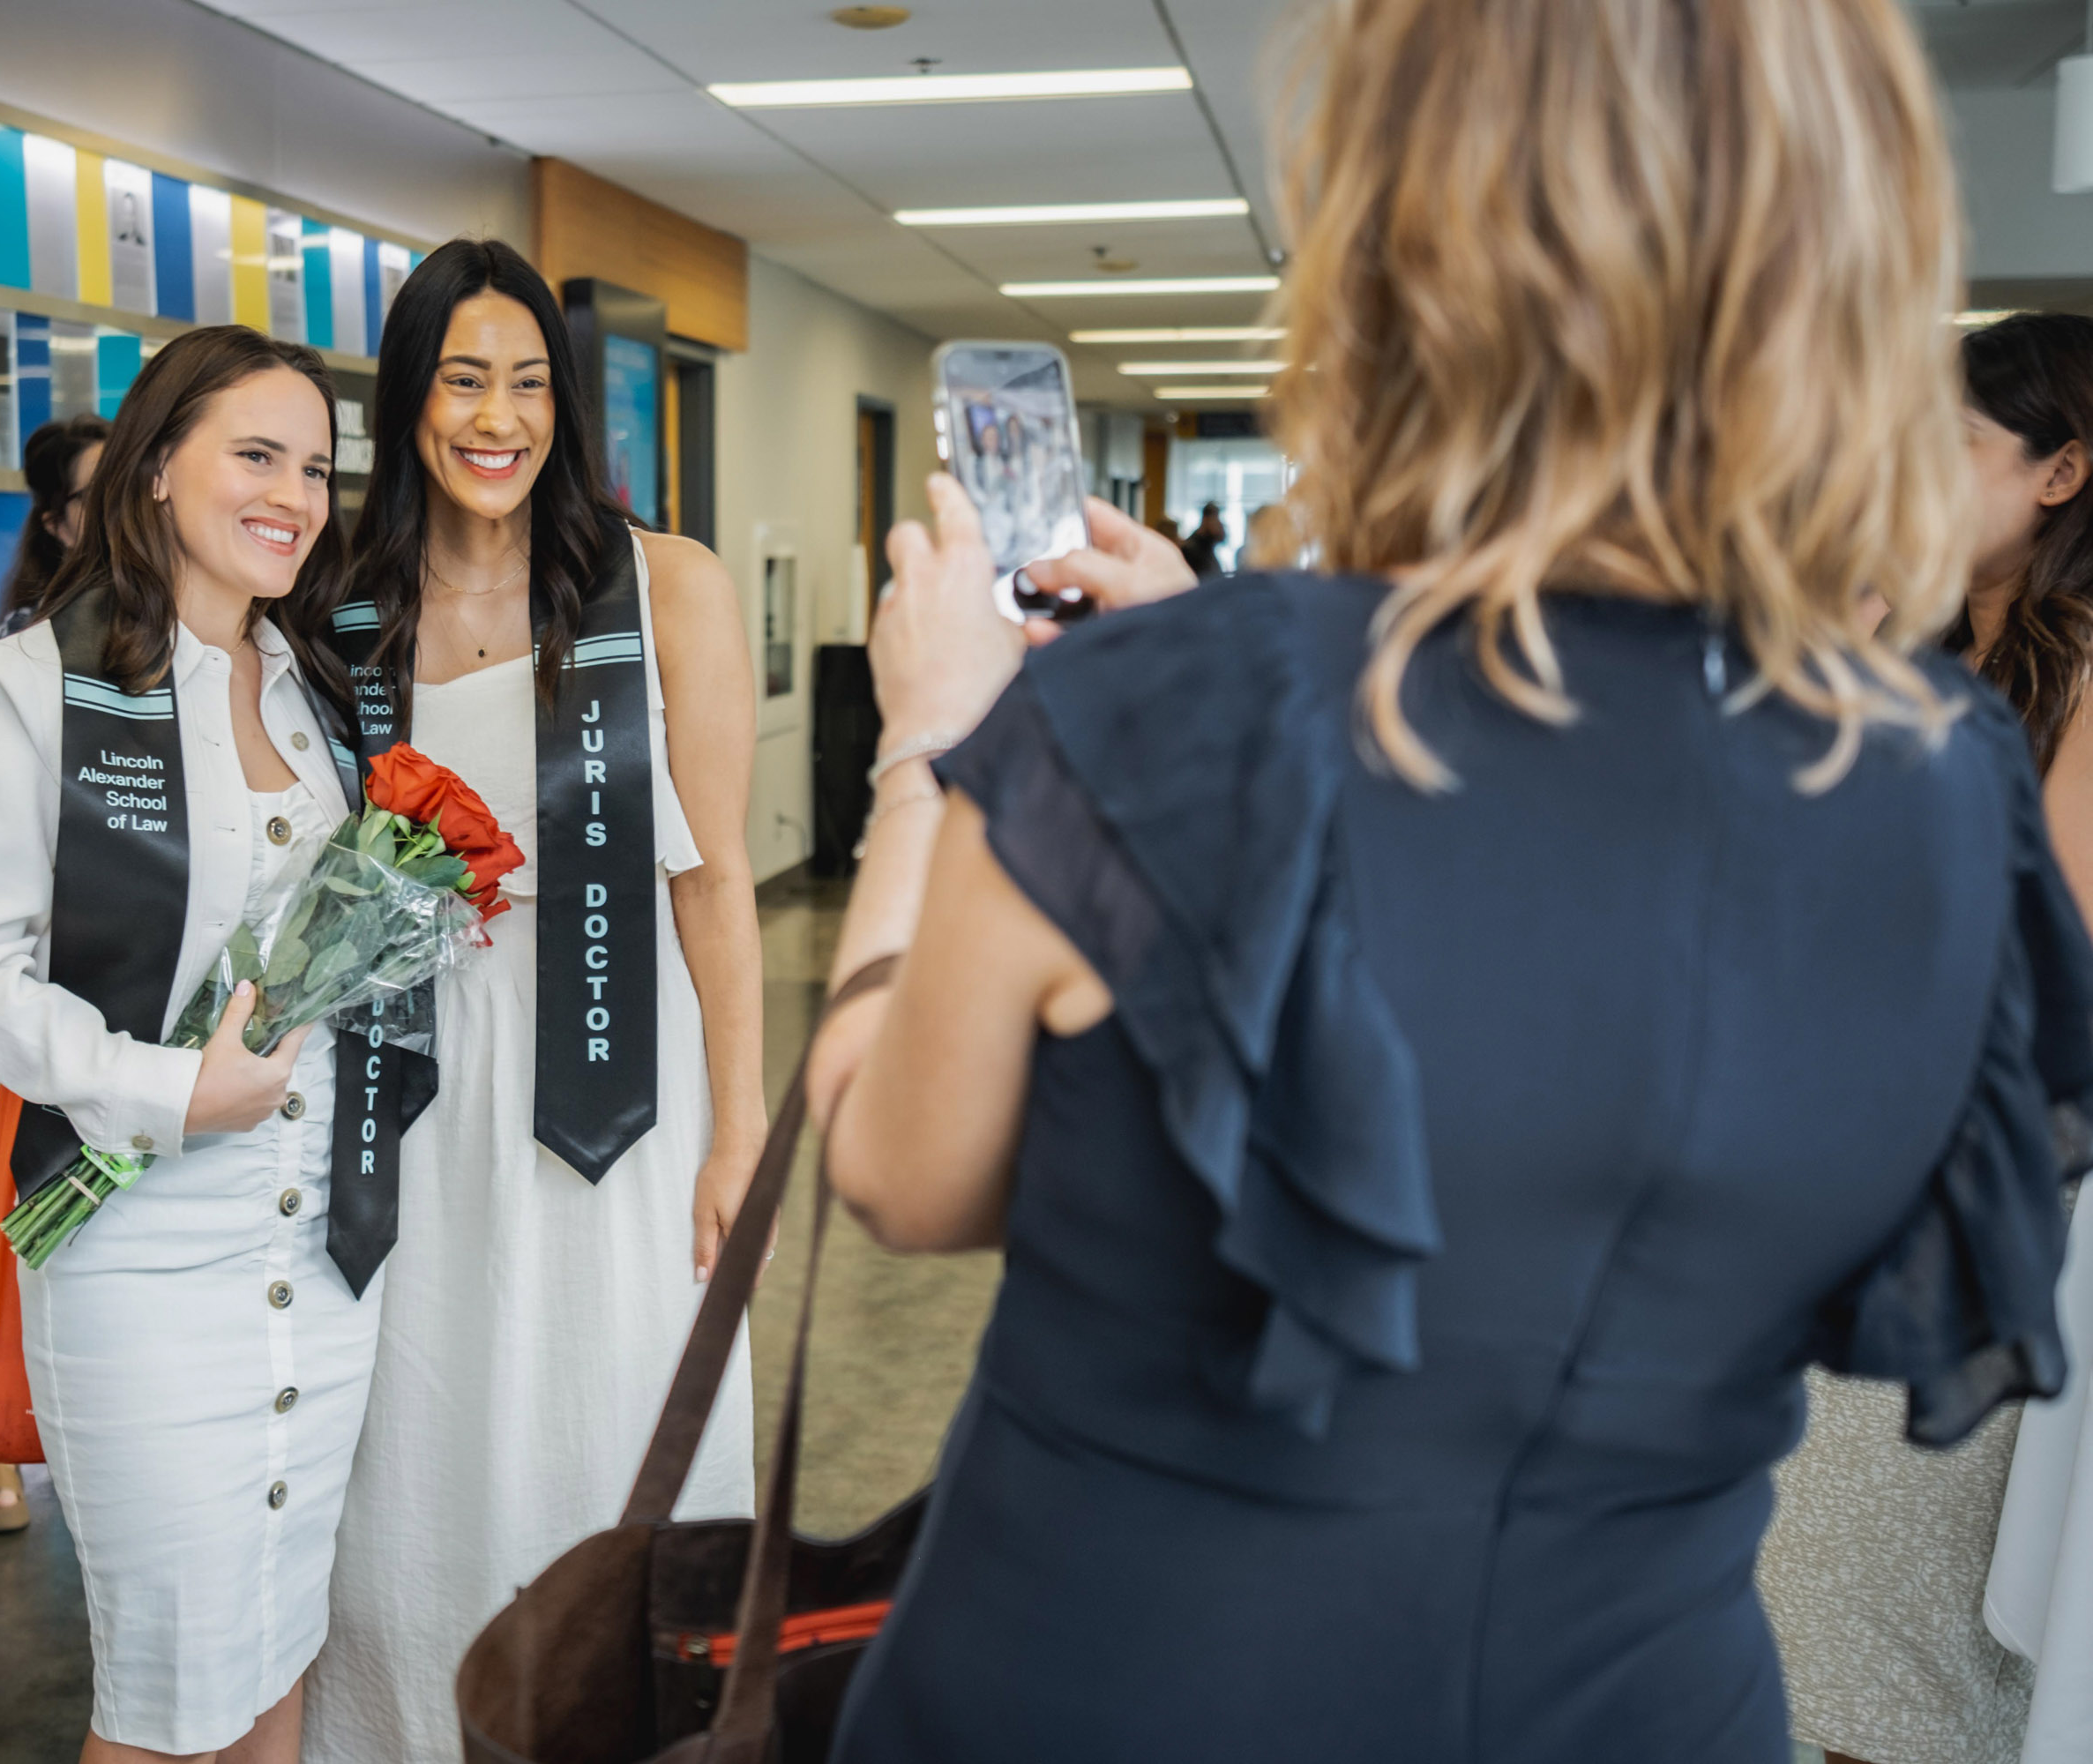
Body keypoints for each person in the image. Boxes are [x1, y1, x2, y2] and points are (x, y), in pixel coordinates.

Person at [802, 2, 2088, 1760]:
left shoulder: (1149, 731)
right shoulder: (1941, 785)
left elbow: (902, 1165)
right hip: (1646, 1704)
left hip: (1107, 1686)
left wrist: (931, 750)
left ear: (1401, 246)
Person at [302, 238, 761, 1763]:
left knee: (611, 1418)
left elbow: (714, 880)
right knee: (414, 1451)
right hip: (412, 1085)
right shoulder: (339, 608)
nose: (496, 417)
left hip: (625, 1085)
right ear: (406, 400)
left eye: (526, 383)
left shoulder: (663, 589)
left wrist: (741, 1132)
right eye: (460, 379)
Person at [0, 326, 367, 1764]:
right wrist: (172, 1087)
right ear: (160, 464)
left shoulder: (313, 686)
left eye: (316, 467)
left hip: (330, 1257)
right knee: (171, 1696)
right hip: (141, 1257)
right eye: (256, 455)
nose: (293, 493)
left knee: (284, 1661)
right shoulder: (30, 689)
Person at [1758, 310, 2093, 1764]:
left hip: (1985, 1199)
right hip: (1860, 1169)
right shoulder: (1936, 650)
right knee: (1797, 1610)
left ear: (2062, 472)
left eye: (1948, 447)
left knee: (1886, 1648)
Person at [0, 410, 112, 1536]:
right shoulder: (22, 650)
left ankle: (83, 1408)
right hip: (43, 973)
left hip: (145, 991)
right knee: (12, 1196)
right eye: (97, 495)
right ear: (55, 523)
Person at [1181, 500, 1227, 575]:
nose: (1220, 525)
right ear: (1206, 519)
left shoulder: (1208, 545)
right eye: (1217, 519)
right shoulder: (1191, 549)